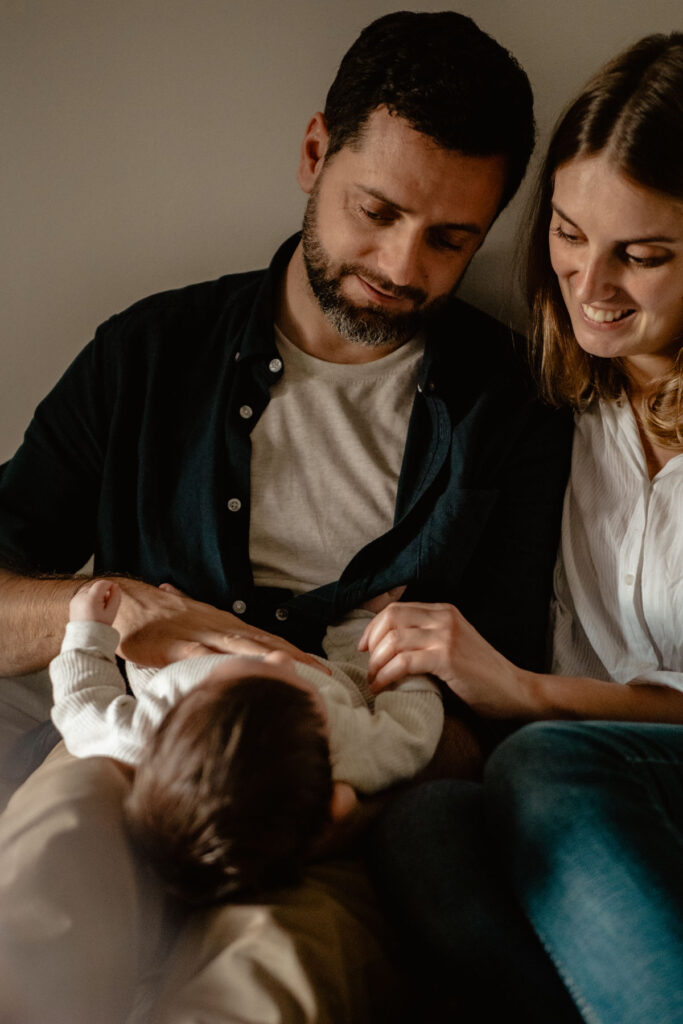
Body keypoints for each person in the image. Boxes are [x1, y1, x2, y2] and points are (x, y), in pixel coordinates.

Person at [0, 10, 571, 1024]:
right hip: (132, 745)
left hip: (337, 798)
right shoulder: (147, 354)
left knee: (281, 979)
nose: (402, 265)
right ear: (314, 152)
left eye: (450, 239)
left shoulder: (508, 410)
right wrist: (121, 609)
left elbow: (497, 699)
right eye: (376, 210)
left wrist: (344, 787)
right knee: (37, 902)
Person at [365, 31, 683, 1024]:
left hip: (583, 761)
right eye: (566, 232)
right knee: (424, 827)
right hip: (573, 788)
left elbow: (555, 722)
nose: (589, 285)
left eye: (643, 255)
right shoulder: (542, 405)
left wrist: (527, 692)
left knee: (544, 756)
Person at [50, 578, 442, 904]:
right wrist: (374, 634)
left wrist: (88, 631)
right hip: (336, 668)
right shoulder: (352, 749)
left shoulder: (149, 733)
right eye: (307, 697)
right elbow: (413, 727)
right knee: (364, 672)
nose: (279, 659)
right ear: (334, 802)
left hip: (176, 659)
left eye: (262, 668)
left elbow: (81, 704)